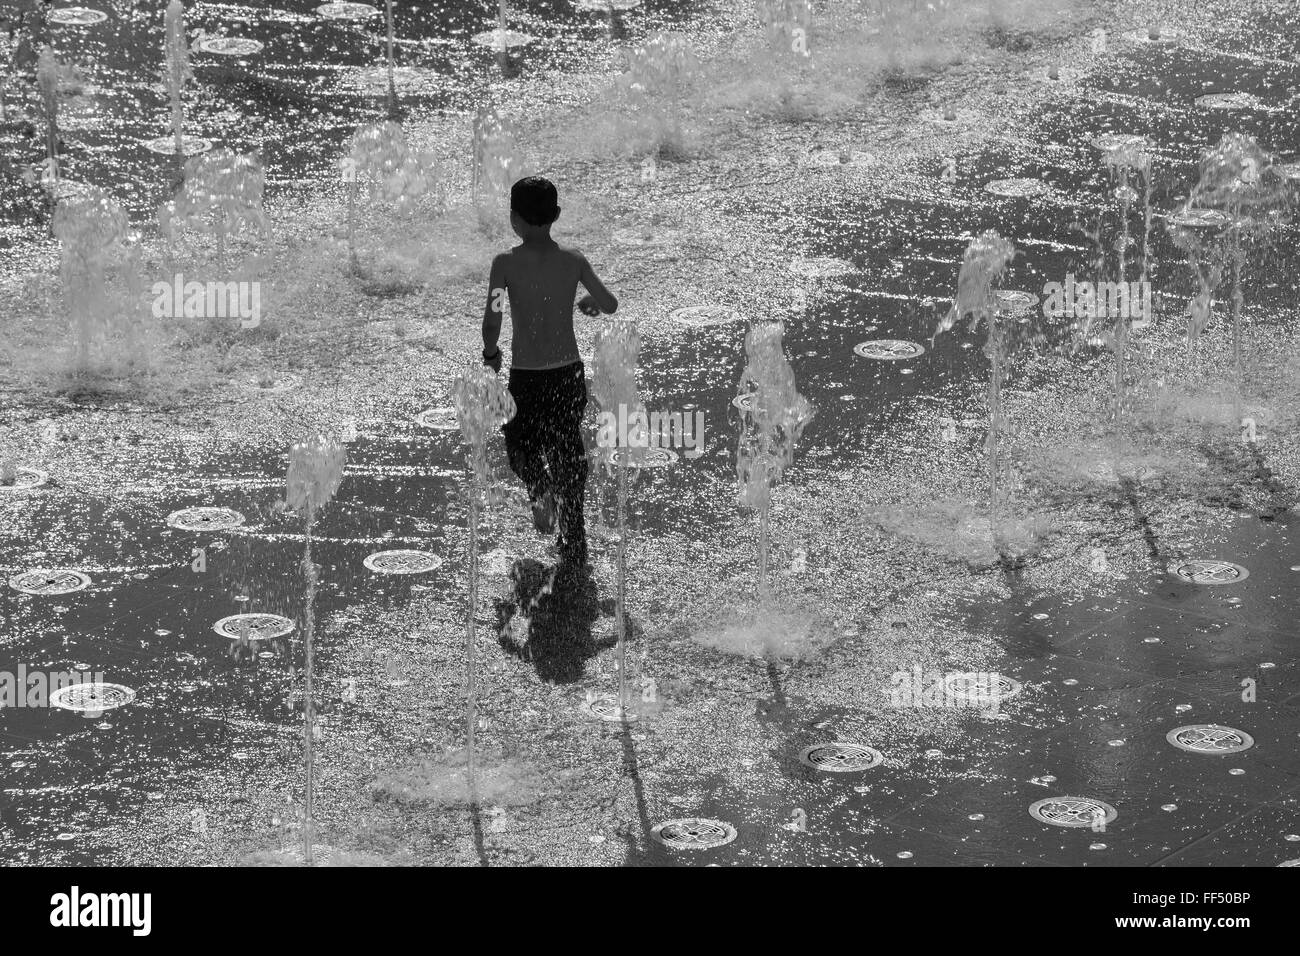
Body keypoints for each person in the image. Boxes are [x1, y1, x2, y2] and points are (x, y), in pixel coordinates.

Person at [482, 176, 618, 577]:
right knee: (566, 447)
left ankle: (540, 490)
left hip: (526, 376)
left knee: (521, 447)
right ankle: (573, 535)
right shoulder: (574, 260)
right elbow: (609, 303)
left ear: (513, 219)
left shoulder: (503, 264)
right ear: (556, 216)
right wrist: (589, 302)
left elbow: (493, 318)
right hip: (567, 374)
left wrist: (491, 354)